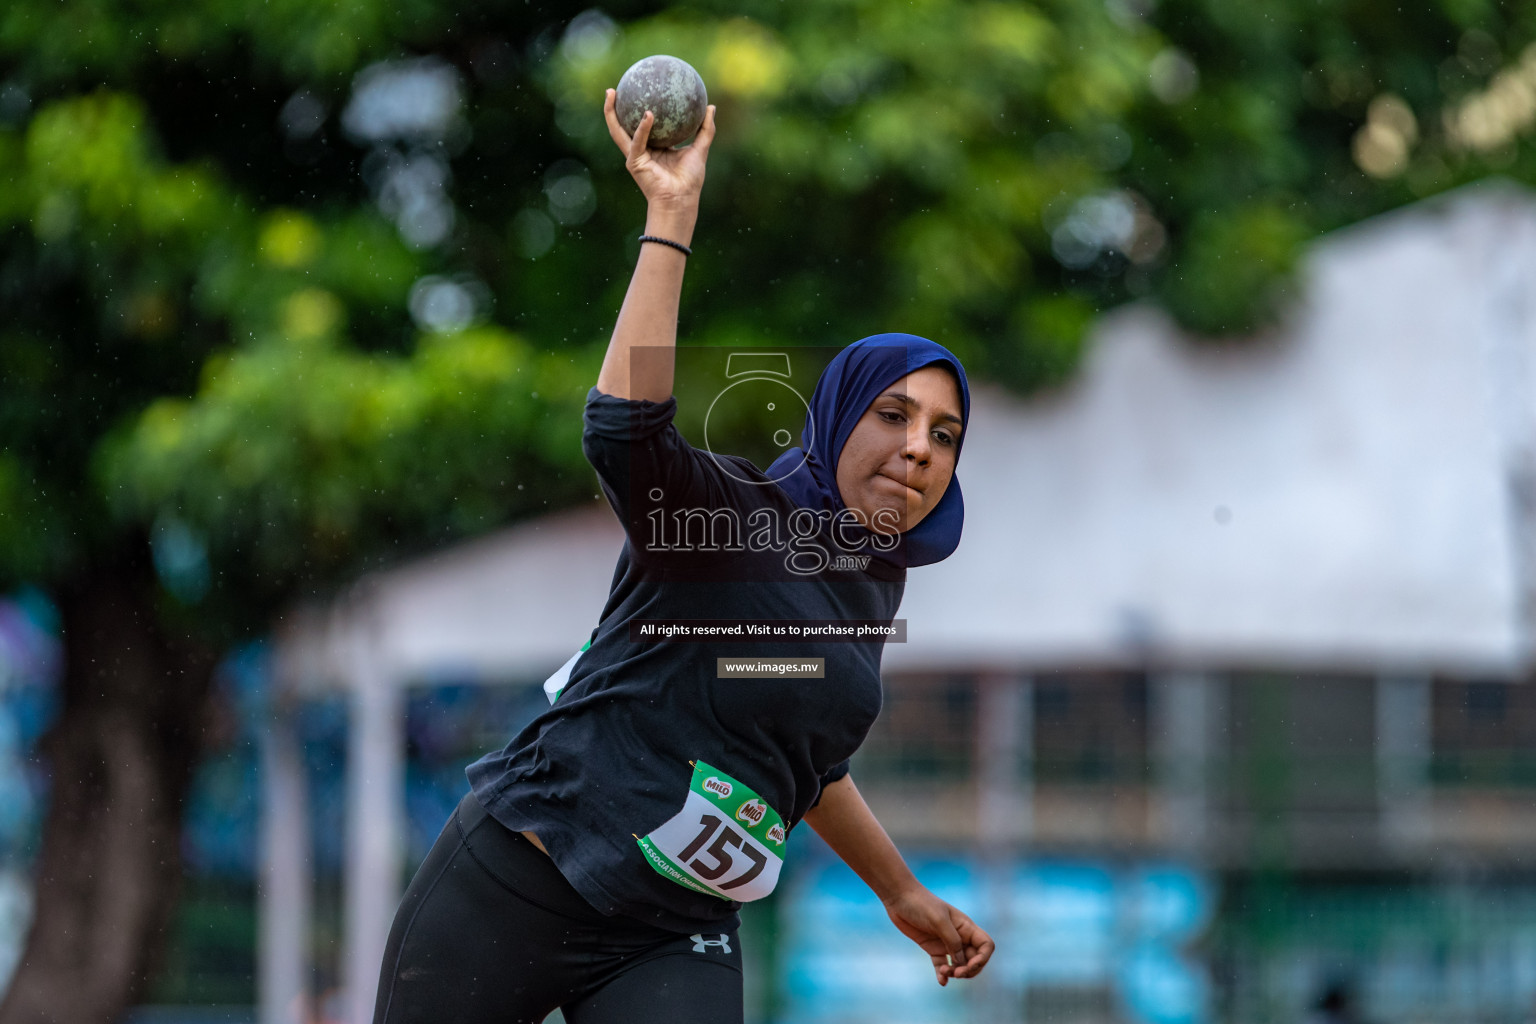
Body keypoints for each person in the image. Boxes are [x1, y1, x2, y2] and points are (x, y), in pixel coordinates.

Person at [372, 89, 994, 1024]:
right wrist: (670, 218)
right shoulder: (731, 521)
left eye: (944, 435)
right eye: (893, 415)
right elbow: (624, 430)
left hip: (675, 929)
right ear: (831, 423)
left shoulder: (868, 591)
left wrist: (899, 892)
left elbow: (803, 765)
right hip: (524, 874)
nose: (919, 448)